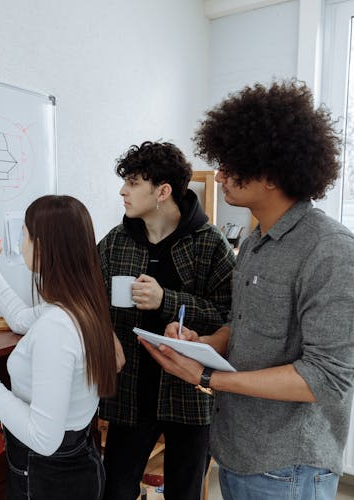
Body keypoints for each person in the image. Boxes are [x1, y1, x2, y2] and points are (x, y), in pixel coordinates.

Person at [140, 80, 354, 500]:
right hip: (238, 450)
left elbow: (327, 377)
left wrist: (207, 375)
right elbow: (243, 326)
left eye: (232, 164)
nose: (221, 176)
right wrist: (202, 343)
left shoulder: (331, 251)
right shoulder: (253, 243)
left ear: (271, 172)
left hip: (288, 465)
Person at [98, 141, 236, 500]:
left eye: (132, 182)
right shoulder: (116, 242)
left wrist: (166, 300)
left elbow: (230, 317)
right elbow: (90, 299)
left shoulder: (210, 244)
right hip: (128, 394)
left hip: (190, 397)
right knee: (114, 490)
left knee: (184, 493)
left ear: (162, 191)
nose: (122, 191)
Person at [0, 195, 117, 500]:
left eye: (24, 234)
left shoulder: (56, 327)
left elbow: (43, 439)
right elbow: (19, 319)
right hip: (78, 465)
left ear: (42, 246)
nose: (21, 241)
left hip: (49, 479)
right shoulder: (81, 306)